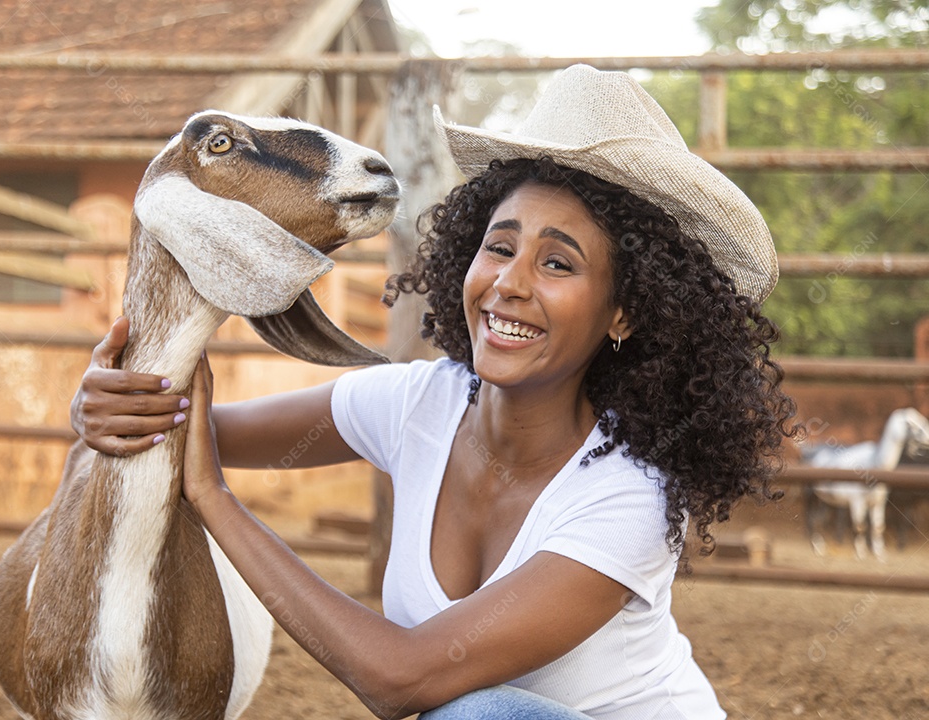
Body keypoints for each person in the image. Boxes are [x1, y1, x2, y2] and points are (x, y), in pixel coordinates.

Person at [70, 65, 800, 719]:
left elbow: (402, 680)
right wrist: (100, 407)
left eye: (558, 264)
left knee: (483, 716)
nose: (509, 284)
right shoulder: (421, 402)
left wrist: (216, 501)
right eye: (501, 245)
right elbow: (181, 430)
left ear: (626, 312)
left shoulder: (626, 495)